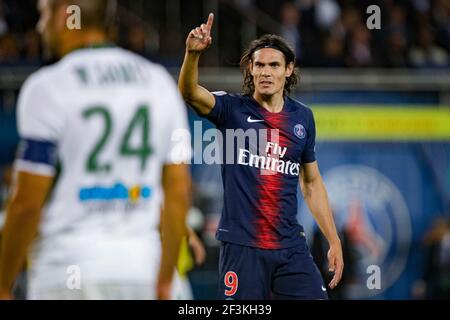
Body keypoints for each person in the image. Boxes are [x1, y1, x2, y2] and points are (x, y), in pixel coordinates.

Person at [0, 0, 191, 300]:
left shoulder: (47, 87)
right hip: (141, 269)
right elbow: (178, 192)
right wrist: (166, 279)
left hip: (66, 273)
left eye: (43, 14)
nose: (39, 26)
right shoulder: (159, 83)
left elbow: (26, 203)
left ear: (66, 14)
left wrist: (2, 283)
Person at [179, 13, 343, 300]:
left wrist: (333, 239)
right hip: (242, 248)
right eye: (260, 65)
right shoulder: (231, 110)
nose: (266, 72)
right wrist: (192, 55)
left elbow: (312, 183)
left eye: (274, 65)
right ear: (251, 70)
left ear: (288, 69)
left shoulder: (302, 118)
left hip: (290, 247)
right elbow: (190, 93)